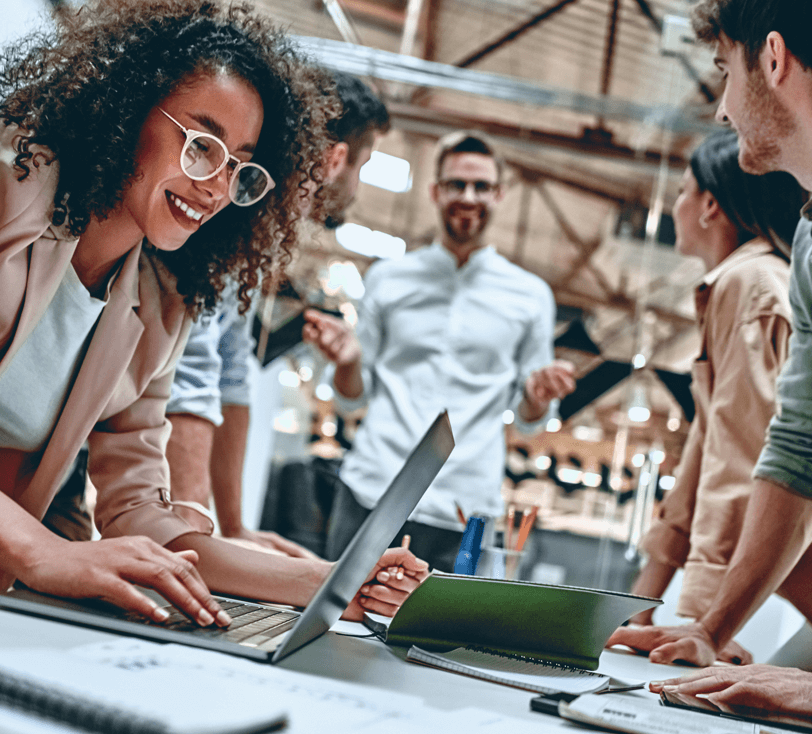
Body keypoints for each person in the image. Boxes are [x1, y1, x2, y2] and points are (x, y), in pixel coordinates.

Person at [0, 0, 426, 627]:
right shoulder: (11, 194)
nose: (215, 185)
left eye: (240, 167)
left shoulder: (161, 303)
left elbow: (141, 512)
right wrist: (43, 551)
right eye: (201, 144)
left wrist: (335, 581)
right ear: (126, 109)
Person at [607, 0, 812, 708]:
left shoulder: (754, 282)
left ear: (775, 60)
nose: (722, 111)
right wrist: (706, 624)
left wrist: (698, 605)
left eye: (726, 72)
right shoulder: (805, 250)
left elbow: (741, 451)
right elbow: (792, 447)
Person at [305, 130, 576, 571]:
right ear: (434, 191)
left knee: (439, 640)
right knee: (338, 626)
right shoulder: (389, 278)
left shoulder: (531, 296)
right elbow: (352, 396)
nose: (468, 196)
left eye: (481, 186)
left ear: (500, 194)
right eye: (456, 184)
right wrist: (349, 362)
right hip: (373, 491)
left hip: (464, 507)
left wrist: (538, 396)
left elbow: (530, 423)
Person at [164, 72, 390, 558]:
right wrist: (196, 537)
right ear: (335, 159)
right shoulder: (233, 211)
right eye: (364, 165)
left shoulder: (263, 236)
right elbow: (194, 370)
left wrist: (232, 527)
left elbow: (231, 371)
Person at [624, 130, 807, 665]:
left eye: (682, 191)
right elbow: (703, 456)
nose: (675, 205)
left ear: (709, 205)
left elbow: (743, 457)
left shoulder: (748, 284)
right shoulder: (743, 283)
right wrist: (639, 602)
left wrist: (706, 626)